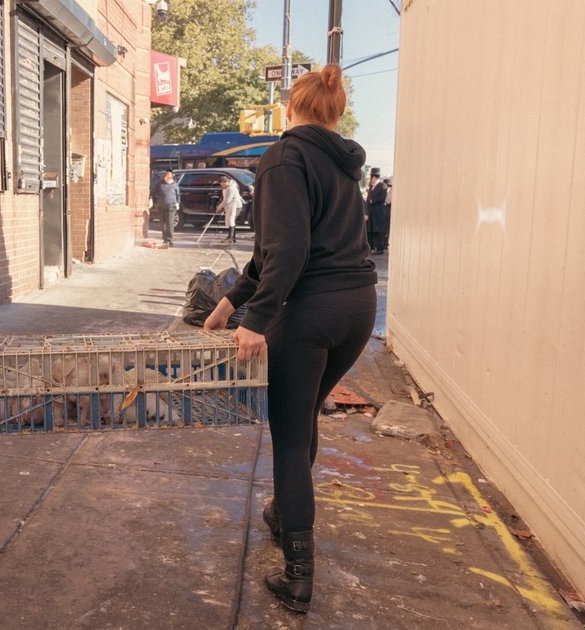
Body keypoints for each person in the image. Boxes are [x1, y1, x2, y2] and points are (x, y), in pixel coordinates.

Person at [203, 64, 377, 613]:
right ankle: (284, 514)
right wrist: (229, 301)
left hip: (309, 312)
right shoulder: (344, 165)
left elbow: (290, 249)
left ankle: (298, 574)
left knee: (290, 436)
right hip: (358, 308)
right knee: (304, 418)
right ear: (335, 113)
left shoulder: (284, 156)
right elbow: (274, 250)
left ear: (292, 107)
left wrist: (255, 320)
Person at [150, 169, 180, 246]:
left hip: (171, 206)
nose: (169, 177)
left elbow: (178, 195)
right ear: (164, 176)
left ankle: (169, 240)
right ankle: (165, 239)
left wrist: (178, 203)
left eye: (170, 176)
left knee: (170, 223)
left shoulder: (174, 184)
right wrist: (152, 200)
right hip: (161, 206)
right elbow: (153, 192)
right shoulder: (160, 184)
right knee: (162, 223)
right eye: (167, 175)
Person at [365, 168, 390, 254]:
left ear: (374, 177)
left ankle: (380, 248)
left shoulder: (383, 185)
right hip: (371, 211)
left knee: (378, 230)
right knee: (371, 230)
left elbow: (382, 198)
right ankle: (371, 247)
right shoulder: (371, 186)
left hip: (378, 212)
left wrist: (372, 201)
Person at [216, 175, 243, 243]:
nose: (222, 186)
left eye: (223, 184)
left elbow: (228, 200)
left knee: (231, 220)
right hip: (230, 206)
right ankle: (232, 237)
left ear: (227, 182)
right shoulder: (225, 188)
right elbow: (225, 199)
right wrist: (222, 207)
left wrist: (219, 207)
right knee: (231, 221)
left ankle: (230, 237)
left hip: (236, 206)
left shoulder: (231, 189)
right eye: (221, 185)